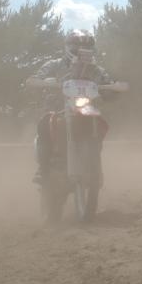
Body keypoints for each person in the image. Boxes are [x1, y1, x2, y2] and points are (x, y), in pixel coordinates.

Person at [25, 29, 112, 184]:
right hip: (57, 107)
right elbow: (38, 77)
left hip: (86, 108)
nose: (82, 50)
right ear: (68, 47)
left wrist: (113, 88)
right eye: (77, 46)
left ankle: (94, 162)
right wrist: (37, 81)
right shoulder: (54, 64)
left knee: (101, 123)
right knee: (44, 124)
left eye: (87, 47)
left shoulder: (96, 69)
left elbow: (108, 82)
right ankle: (43, 169)